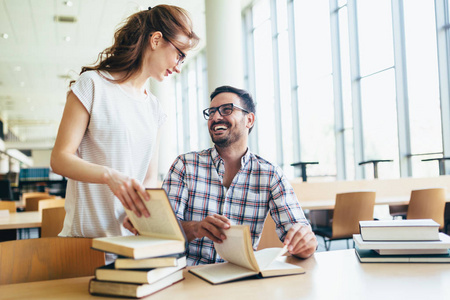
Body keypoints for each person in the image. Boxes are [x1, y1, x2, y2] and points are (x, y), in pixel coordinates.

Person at [50, 5, 199, 243]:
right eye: (179, 54)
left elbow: (149, 179)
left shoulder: (154, 108)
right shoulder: (93, 85)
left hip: (132, 244)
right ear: (157, 40)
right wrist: (109, 176)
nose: (180, 67)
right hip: (84, 242)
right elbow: (59, 159)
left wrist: (143, 215)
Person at [125, 86, 317, 266]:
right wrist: (196, 228)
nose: (216, 117)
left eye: (226, 110)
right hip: (186, 275)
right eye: (212, 112)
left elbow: (300, 234)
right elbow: (159, 231)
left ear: (249, 120)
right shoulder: (185, 165)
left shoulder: (270, 174)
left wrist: (305, 243)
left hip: (241, 278)